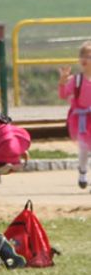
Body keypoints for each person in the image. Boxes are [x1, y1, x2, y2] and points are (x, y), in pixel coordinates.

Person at [58, 41, 91, 189]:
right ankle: (83, 172)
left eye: (89, 56)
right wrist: (63, 82)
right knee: (83, 148)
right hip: (81, 119)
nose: (84, 59)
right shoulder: (76, 80)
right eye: (82, 56)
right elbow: (63, 95)